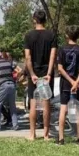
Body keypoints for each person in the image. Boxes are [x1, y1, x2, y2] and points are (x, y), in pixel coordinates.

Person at [24, 10, 57, 141]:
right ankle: (46, 134)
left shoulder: (29, 35)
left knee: (33, 103)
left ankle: (32, 134)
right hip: (46, 72)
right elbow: (53, 55)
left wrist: (31, 74)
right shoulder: (51, 35)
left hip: (34, 73)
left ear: (34, 20)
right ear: (45, 20)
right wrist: (49, 73)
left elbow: (28, 56)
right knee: (46, 103)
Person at [57, 25, 79, 145]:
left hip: (65, 83)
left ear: (67, 36)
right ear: (78, 36)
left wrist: (70, 81)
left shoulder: (62, 49)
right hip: (77, 84)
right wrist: (76, 82)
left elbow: (60, 69)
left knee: (63, 109)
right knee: (78, 109)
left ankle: (61, 138)